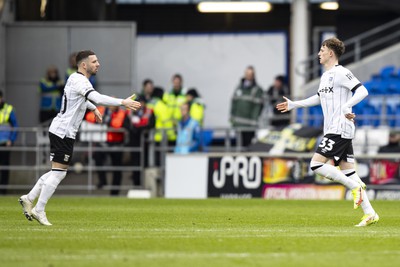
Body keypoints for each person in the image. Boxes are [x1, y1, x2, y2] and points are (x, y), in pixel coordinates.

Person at [19, 50, 141, 225]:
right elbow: (96, 97)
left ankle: (29, 199)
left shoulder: (75, 79)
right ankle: (39, 209)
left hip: (60, 130)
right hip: (63, 132)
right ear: (84, 65)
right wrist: (122, 102)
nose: (98, 64)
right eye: (94, 61)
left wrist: (92, 108)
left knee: (56, 172)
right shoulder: (80, 80)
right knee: (59, 174)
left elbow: (80, 99)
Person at [276, 37, 379, 227]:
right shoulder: (325, 76)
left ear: (331, 53)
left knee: (315, 164)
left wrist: (347, 106)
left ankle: (355, 188)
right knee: (349, 172)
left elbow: (362, 91)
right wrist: (294, 104)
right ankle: (370, 213)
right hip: (335, 129)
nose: (319, 54)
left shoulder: (341, 72)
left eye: (322, 50)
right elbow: (319, 97)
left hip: (339, 128)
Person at [230, 66, 264, 147]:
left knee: (248, 146)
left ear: (253, 75)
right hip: (238, 124)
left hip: (249, 126)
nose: (248, 76)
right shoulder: (239, 88)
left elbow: (258, 107)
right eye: (247, 74)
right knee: (238, 146)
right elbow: (234, 103)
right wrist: (232, 117)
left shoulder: (257, 90)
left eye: (250, 74)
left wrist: (254, 121)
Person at [129, 98, 155, 186]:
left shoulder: (149, 111)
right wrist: (133, 129)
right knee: (135, 163)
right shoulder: (130, 112)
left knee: (144, 163)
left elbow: (152, 123)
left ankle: (145, 184)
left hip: (145, 142)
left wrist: (140, 129)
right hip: (133, 141)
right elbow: (126, 123)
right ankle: (136, 184)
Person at [0, 90, 19, 195]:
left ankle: (3, 190)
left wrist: (11, 140)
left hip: (5, 142)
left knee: (5, 166)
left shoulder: (9, 109)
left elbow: (15, 127)